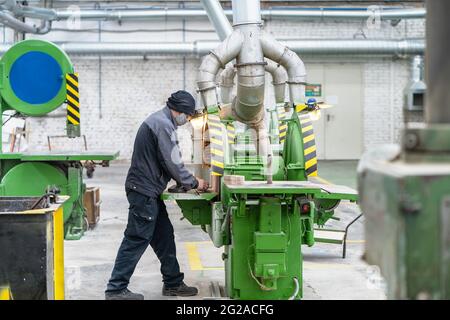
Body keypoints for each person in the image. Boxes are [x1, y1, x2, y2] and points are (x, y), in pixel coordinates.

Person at [105, 90, 209, 300]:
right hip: (143, 192)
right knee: (136, 239)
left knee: (164, 236)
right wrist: (193, 182)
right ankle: (115, 289)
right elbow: (171, 162)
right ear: (179, 111)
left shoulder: (161, 121)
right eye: (187, 116)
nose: (187, 120)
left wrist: (184, 181)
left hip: (148, 190)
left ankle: (172, 283)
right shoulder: (162, 125)